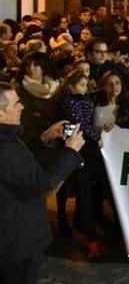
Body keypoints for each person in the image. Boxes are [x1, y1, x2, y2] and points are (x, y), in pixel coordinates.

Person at [0, 82, 84, 284]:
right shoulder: (5, 147)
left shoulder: (8, 140)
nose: (22, 107)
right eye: (16, 104)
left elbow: (19, 167)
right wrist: (70, 151)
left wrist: (43, 138)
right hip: (16, 240)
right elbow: (42, 183)